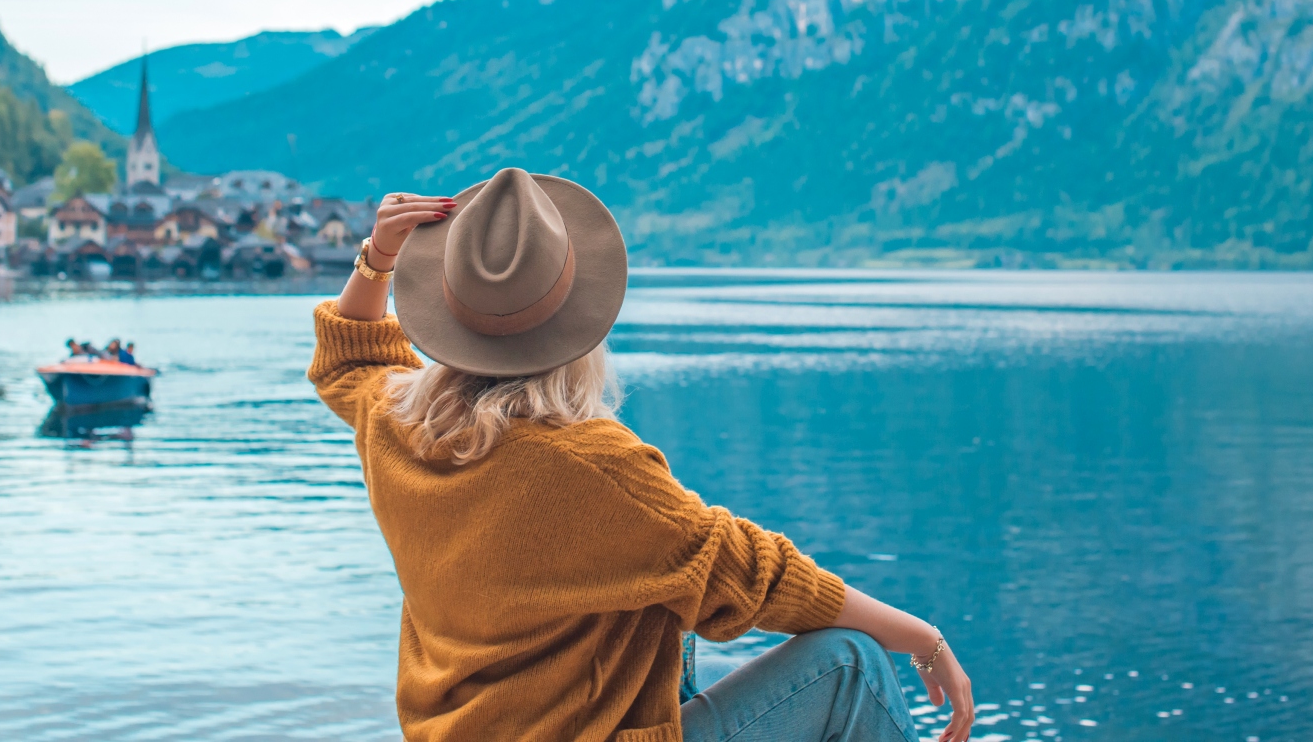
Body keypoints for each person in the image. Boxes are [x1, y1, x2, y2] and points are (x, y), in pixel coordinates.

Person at [309, 168, 973, 742]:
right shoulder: (588, 465)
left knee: (682, 653)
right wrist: (923, 637)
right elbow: (752, 575)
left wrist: (376, 258)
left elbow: (352, 359)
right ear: (578, 321)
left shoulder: (398, 421)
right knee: (852, 664)